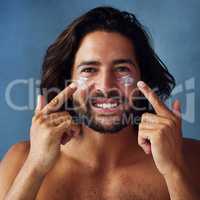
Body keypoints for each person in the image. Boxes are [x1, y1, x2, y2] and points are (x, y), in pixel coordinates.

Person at [0, 6, 199, 200]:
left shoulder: (191, 160)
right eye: (89, 70)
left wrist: (174, 170)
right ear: (66, 81)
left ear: (143, 78)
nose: (105, 86)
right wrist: (35, 167)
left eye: (122, 69)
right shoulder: (21, 160)